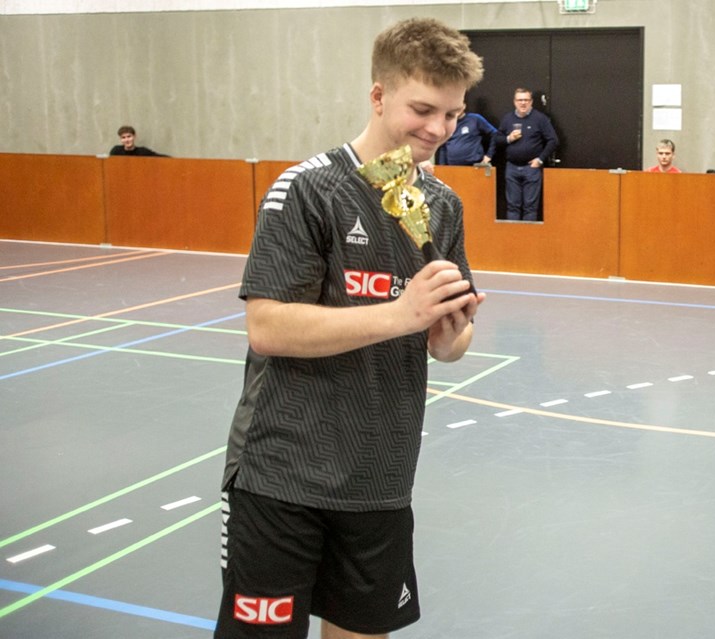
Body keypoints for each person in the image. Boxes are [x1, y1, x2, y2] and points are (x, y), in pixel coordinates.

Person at [214, 17, 485, 639]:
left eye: (452, 114)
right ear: (378, 95)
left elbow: (450, 339)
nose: (438, 130)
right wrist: (402, 314)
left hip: (380, 480)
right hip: (283, 476)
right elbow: (267, 327)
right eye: (423, 109)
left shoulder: (442, 205)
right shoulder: (308, 189)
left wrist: (450, 339)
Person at [498, 87, 558, 221]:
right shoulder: (508, 118)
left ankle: (528, 235)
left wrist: (540, 159)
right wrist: (509, 138)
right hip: (512, 168)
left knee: (530, 208)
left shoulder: (540, 118)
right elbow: (497, 139)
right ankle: (513, 234)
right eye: (520, 100)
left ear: (531, 102)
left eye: (526, 100)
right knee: (512, 207)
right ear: (514, 102)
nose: (523, 103)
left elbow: (553, 140)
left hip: (531, 169)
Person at [435, 109, 499, 166]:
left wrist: (489, 155)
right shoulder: (447, 123)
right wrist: (442, 166)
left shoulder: (475, 119)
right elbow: (443, 145)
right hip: (452, 167)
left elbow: (495, 134)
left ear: (464, 106)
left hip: (474, 165)